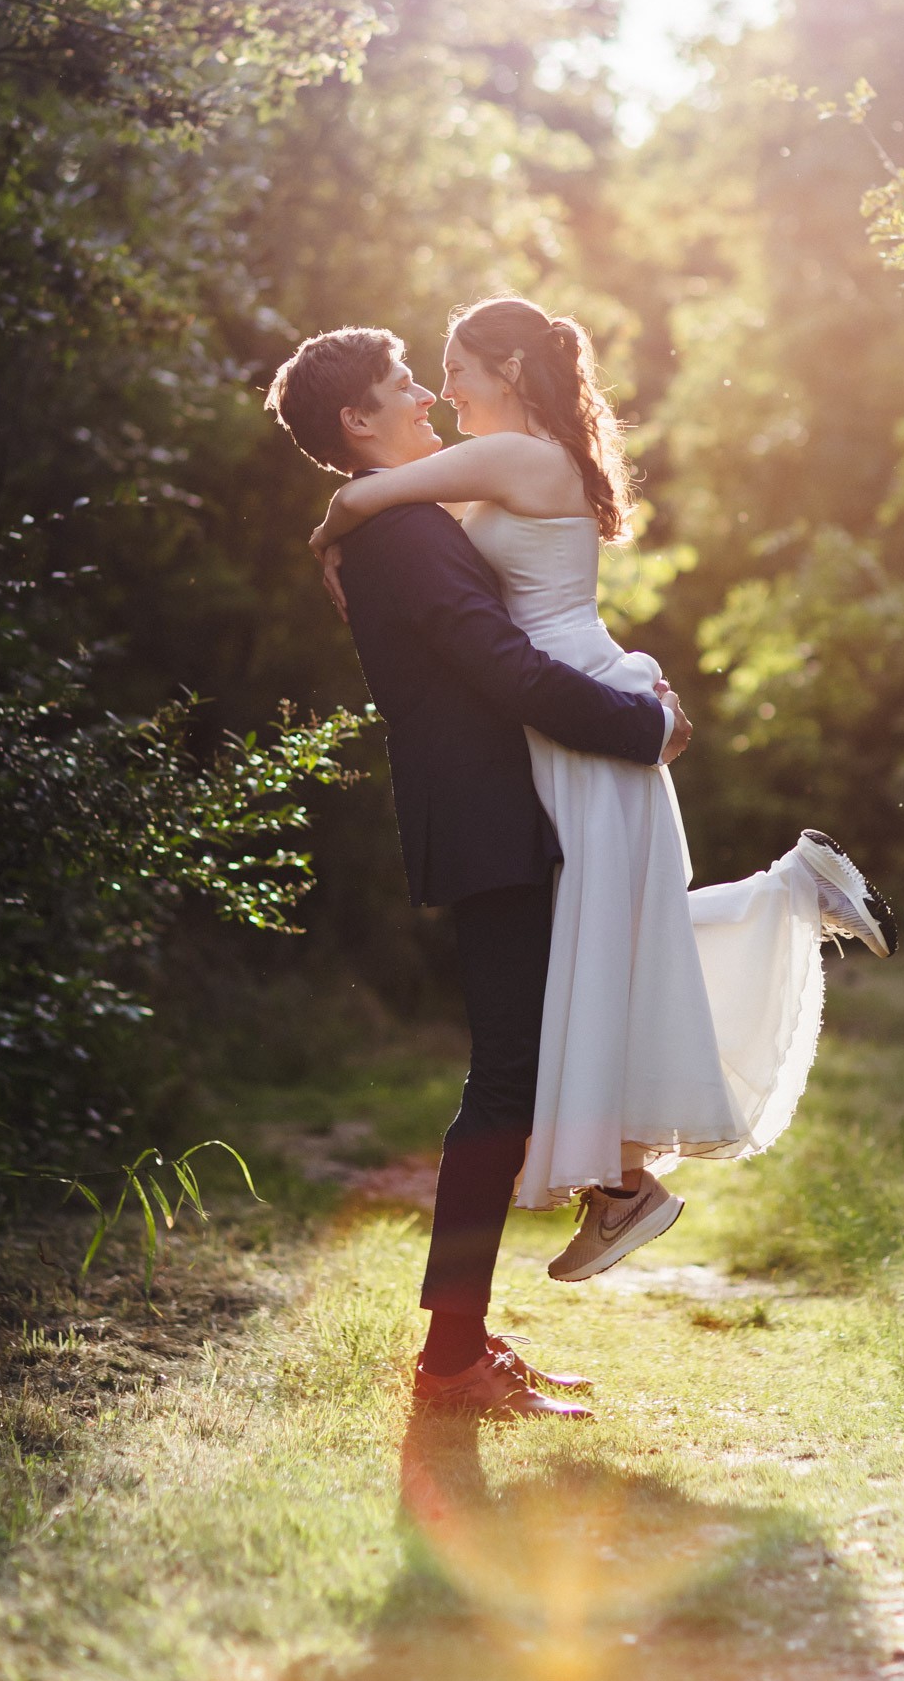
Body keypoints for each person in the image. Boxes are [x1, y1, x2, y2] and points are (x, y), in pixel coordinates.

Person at [309, 294, 898, 1290]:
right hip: (567, 711)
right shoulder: (518, 464)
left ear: (507, 370)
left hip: (572, 716)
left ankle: (621, 1180)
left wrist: (325, 531)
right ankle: (629, 1169)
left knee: (608, 937)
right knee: (614, 934)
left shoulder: (519, 460)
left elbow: (370, 496)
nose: (442, 388)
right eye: (432, 374)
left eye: (455, 367)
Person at [265, 326, 693, 1421]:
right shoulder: (402, 533)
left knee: (517, 1065)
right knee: (503, 1080)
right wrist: (641, 728)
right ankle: (453, 1360)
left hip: (506, 810)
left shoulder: (407, 515)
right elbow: (500, 665)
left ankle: (498, 1310)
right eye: (401, 384)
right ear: (358, 423)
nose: (423, 393)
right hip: (490, 818)